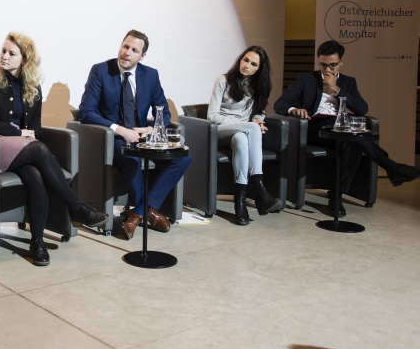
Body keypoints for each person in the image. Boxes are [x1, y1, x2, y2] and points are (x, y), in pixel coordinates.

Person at [0, 32, 110, 266]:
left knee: (36, 176)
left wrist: (33, 136)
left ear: (25, 59)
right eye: (3, 51)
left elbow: (35, 127)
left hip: (24, 149)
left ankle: (37, 242)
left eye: (11, 53)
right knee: (38, 149)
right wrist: (19, 133)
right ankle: (76, 207)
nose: (4, 56)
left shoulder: (33, 87)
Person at [274, 40, 420, 216]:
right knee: (351, 134)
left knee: (352, 142)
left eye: (332, 65)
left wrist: (337, 90)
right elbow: (280, 103)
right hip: (315, 130)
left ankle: (337, 195)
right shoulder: (307, 79)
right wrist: (294, 110)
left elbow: (362, 109)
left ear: (341, 62)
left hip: (342, 130)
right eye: (323, 65)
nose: (327, 70)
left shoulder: (348, 82)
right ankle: (392, 167)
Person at [79, 30, 191, 239]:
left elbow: (164, 111)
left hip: (141, 137)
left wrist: (151, 129)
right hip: (110, 138)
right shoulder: (100, 71)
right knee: (130, 159)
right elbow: (86, 112)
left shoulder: (151, 75)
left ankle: (138, 212)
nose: (127, 53)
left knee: (182, 157)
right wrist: (120, 130)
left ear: (142, 56)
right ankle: (150, 213)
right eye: (125, 46)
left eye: (134, 50)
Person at [207, 45, 282, 225]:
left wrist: (256, 119)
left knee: (241, 138)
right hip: (219, 131)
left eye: (253, 64)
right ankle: (259, 188)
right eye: (246, 60)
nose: (247, 65)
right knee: (251, 129)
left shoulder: (259, 87)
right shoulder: (223, 81)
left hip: (241, 133)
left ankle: (239, 201)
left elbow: (259, 111)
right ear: (240, 59)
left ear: (259, 69)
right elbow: (212, 116)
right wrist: (249, 125)